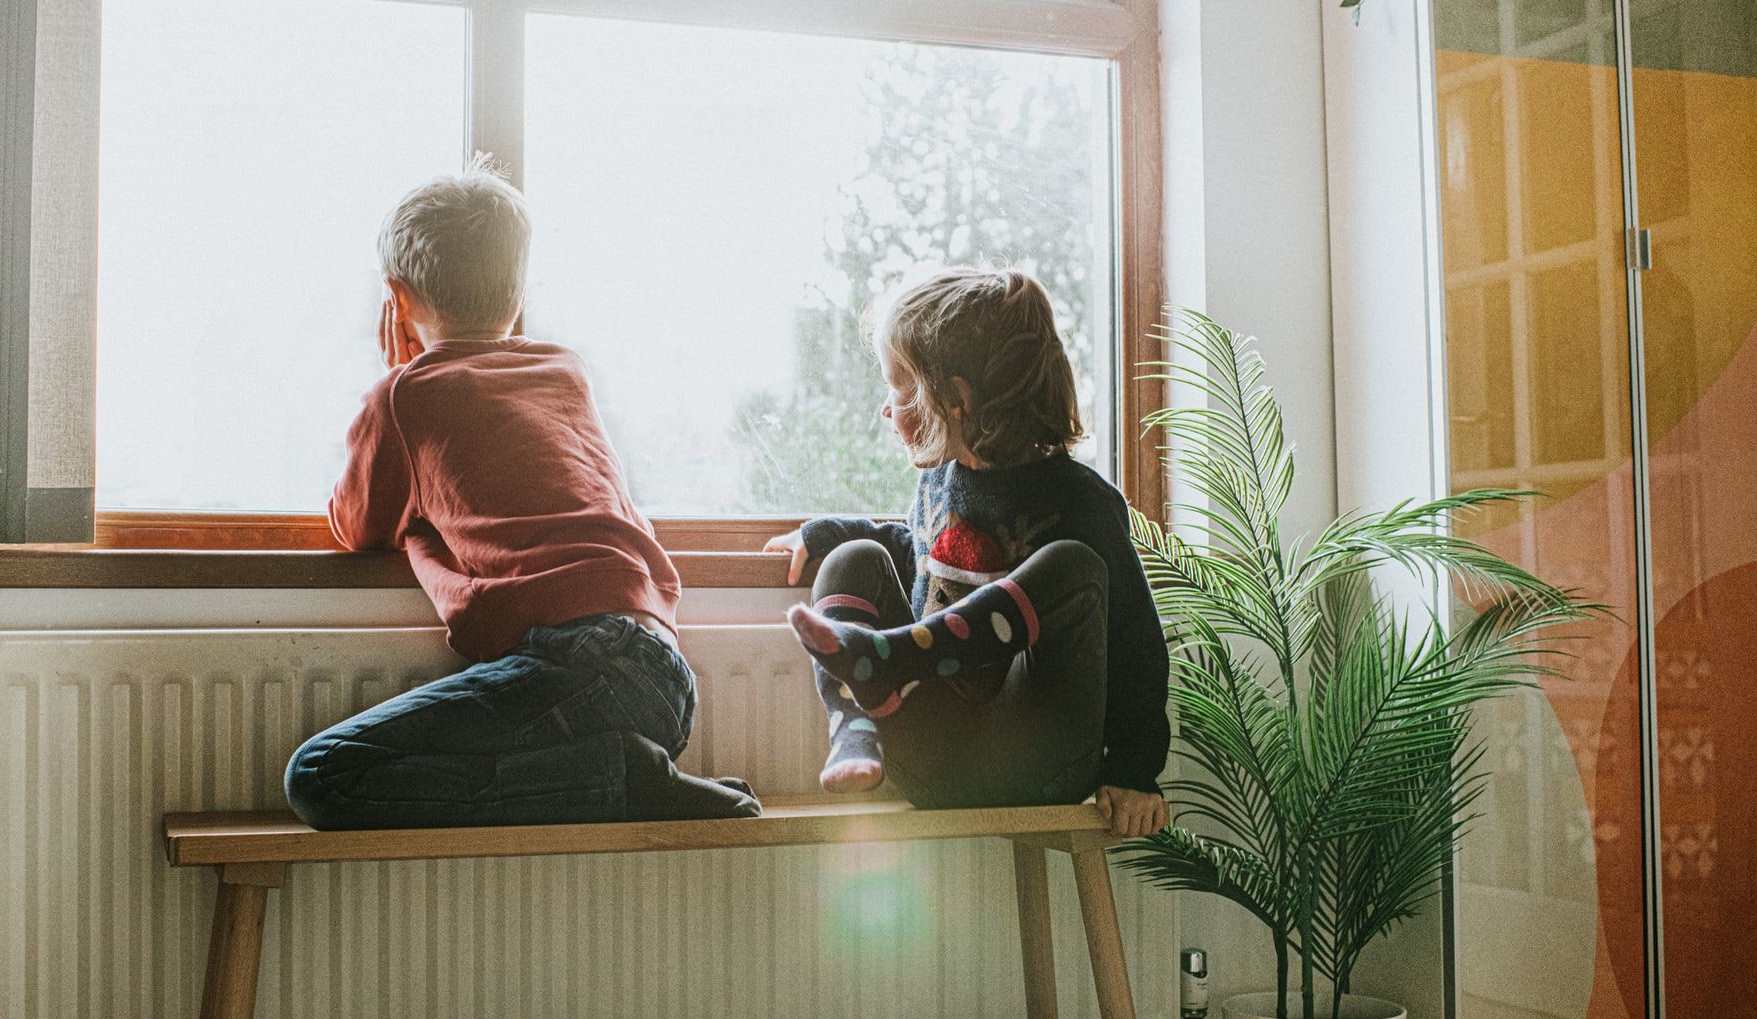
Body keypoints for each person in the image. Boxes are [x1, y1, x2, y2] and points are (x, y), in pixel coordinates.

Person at [285, 158, 759, 830]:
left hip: (580, 665)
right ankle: (616, 773)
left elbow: (356, 526)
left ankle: (617, 781)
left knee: (321, 774)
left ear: (396, 298)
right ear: (519, 290)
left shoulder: (405, 395)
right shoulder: (565, 369)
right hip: (662, 672)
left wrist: (399, 383)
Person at [766, 268, 1170, 839]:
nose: (887, 409)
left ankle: (894, 660)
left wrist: (1135, 770)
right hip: (928, 759)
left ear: (955, 400)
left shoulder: (1082, 501)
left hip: (1037, 759)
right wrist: (824, 534)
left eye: (898, 387)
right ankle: (855, 725)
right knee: (851, 558)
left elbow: (1136, 645)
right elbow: (917, 552)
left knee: (1074, 568)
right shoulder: (938, 486)